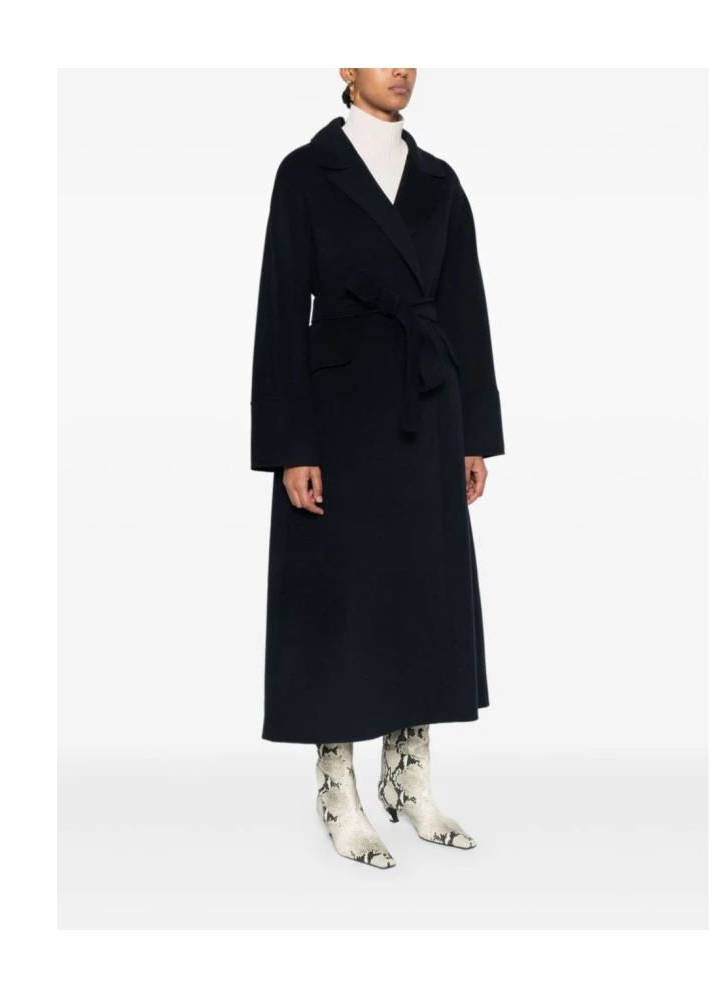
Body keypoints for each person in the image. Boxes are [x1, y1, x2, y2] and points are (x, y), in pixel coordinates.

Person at [249, 68, 505, 868]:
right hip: (338, 417)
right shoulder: (306, 171)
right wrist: (291, 445)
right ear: (345, 68)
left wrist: (474, 434)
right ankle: (338, 787)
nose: (402, 67)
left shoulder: (439, 180)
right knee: (337, 597)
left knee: (421, 590)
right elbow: (281, 309)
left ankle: (408, 779)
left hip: (427, 409)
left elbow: (464, 305)